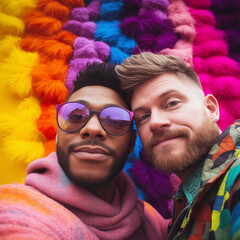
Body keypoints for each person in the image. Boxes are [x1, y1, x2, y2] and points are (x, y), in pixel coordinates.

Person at [0, 62, 168, 239]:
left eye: (115, 120)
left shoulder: (149, 219)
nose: (93, 128)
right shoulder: (18, 206)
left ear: (132, 142)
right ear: (58, 135)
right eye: (76, 116)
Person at [115, 52, 240, 239]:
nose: (155, 122)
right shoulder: (185, 206)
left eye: (172, 103)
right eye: (143, 116)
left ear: (211, 109)